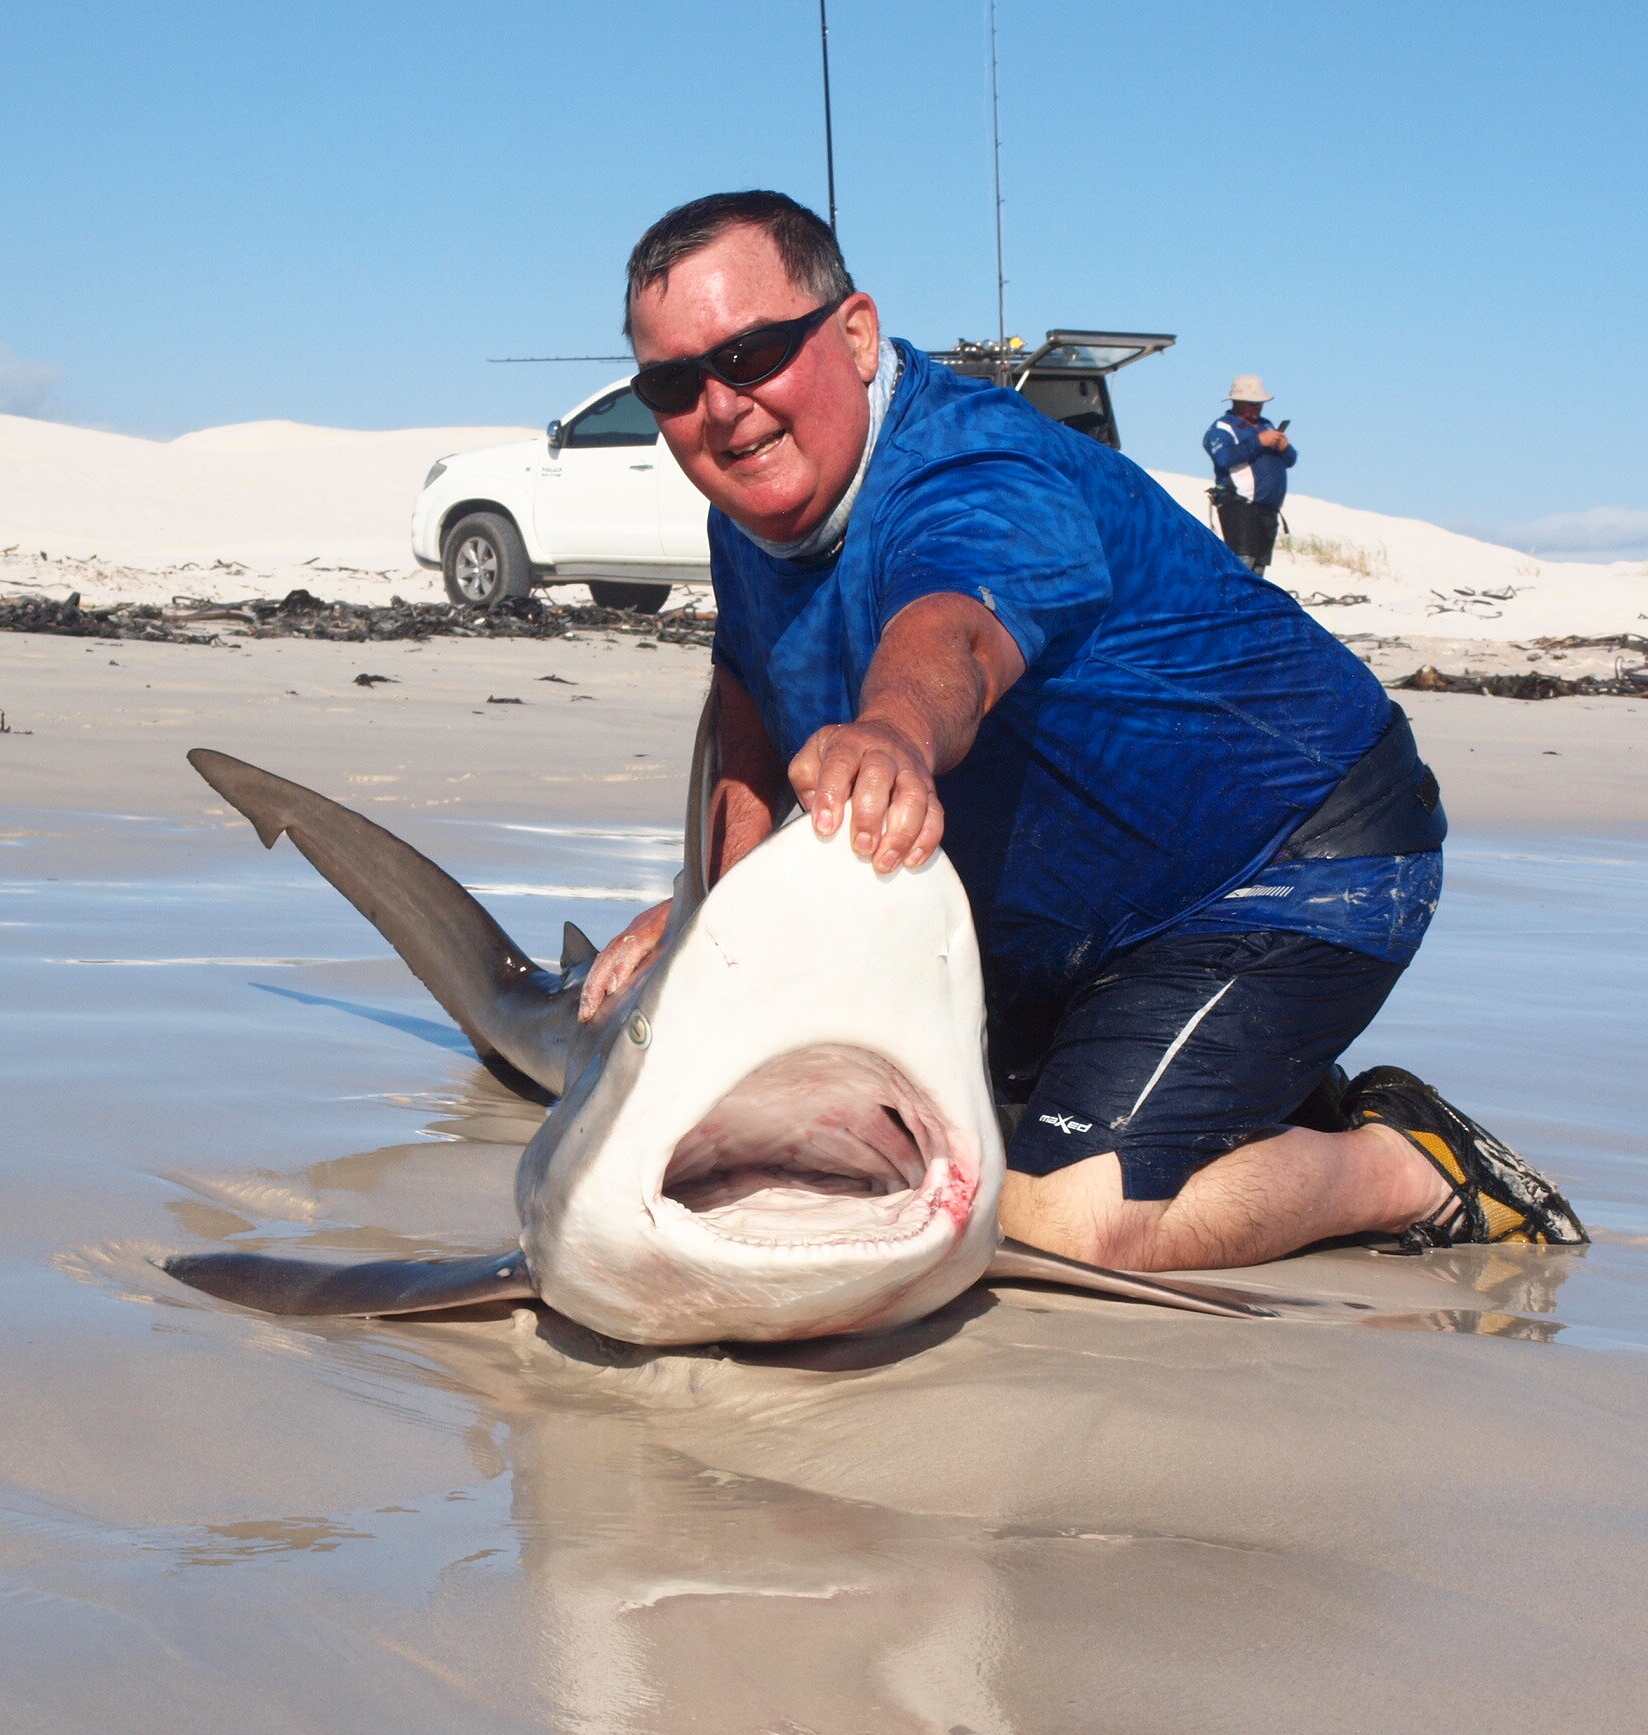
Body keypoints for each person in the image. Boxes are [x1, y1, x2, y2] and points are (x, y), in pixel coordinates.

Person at [581, 190, 1584, 1274]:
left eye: (752, 354)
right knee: (885, 1143)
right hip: (1062, 916)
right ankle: (1239, 1088)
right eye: (674, 384)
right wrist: (703, 917)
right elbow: (747, 709)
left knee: (1062, 1221)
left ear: (857, 335)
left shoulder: (981, 472)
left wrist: (895, 732)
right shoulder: (747, 519)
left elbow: (953, 636)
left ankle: (1409, 1162)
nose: (721, 409)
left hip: (1282, 864)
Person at [1204, 375, 1294, 573]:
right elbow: (1224, 458)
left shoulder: (1267, 425)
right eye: (1252, 403)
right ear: (1237, 402)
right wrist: (1259, 442)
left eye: (1259, 403)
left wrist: (1284, 447)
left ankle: (1252, 603)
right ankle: (1234, 603)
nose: (1257, 408)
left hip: (1267, 508)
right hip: (1239, 504)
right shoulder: (1223, 427)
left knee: (1259, 566)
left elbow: (1290, 460)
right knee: (1242, 562)